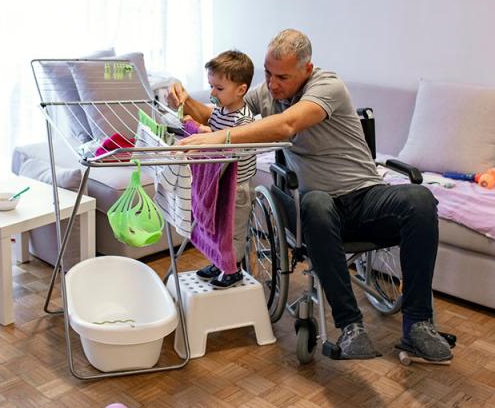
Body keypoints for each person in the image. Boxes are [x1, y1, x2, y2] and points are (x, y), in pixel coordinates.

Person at [168, 29, 452, 361]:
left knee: (420, 199)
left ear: (307, 69)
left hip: (364, 198)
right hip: (317, 208)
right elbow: (224, 116)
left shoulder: (327, 86)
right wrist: (185, 101)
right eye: (268, 73)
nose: (272, 84)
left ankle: (418, 325)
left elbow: (288, 124)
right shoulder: (269, 91)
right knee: (315, 201)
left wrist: (222, 139)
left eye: (282, 77)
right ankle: (351, 328)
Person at [187, 50, 257, 289]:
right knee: (217, 225)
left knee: (232, 230)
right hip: (219, 180)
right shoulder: (220, 110)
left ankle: (233, 268)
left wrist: (212, 138)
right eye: (211, 86)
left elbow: (231, 146)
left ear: (240, 90)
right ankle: (219, 261)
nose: (212, 93)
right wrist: (201, 129)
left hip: (237, 184)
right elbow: (215, 134)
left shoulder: (244, 121)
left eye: (219, 88)